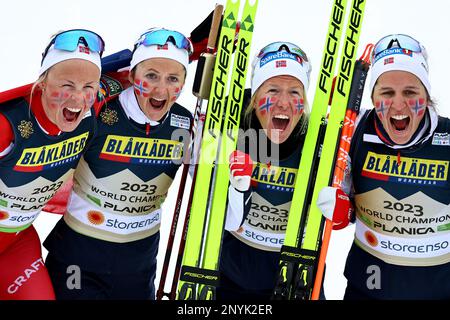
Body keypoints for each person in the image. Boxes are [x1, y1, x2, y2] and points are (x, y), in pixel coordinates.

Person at [43, 28, 194, 300]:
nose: (161, 89)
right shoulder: (99, 111)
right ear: (133, 75)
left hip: (138, 262)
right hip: (79, 256)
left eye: (173, 78)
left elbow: (211, 189)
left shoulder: (186, 124)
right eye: (150, 76)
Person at [318, 34, 450, 299]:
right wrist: (339, 209)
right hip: (367, 288)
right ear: (373, 96)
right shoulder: (354, 130)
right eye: (386, 93)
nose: (398, 105)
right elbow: (339, 207)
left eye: (411, 92)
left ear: (426, 95)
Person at [0, 29, 104, 299]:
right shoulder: (7, 125)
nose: (78, 98)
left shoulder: (92, 111)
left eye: (88, 87)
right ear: (43, 82)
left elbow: (144, 71)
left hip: (15, 245)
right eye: (66, 85)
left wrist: (204, 47)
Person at [216, 41, 312, 299]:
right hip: (230, 272)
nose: (283, 103)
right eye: (272, 90)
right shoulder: (230, 123)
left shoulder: (315, 137)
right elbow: (209, 206)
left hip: (293, 280)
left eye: (294, 92)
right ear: (255, 96)